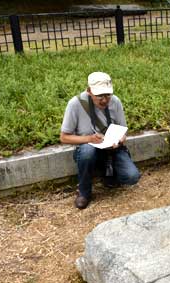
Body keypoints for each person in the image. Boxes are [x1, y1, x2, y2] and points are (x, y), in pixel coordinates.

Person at [60, 72, 141, 209]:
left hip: (111, 148)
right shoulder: (75, 104)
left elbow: (123, 130)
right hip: (87, 148)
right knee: (87, 151)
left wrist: (121, 139)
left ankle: (107, 172)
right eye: (99, 96)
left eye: (107, 95)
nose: (104, 100)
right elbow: (64, 137)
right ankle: (84, 191)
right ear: (89, 91)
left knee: (132, 176)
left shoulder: (115, 101)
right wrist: (89, 138)